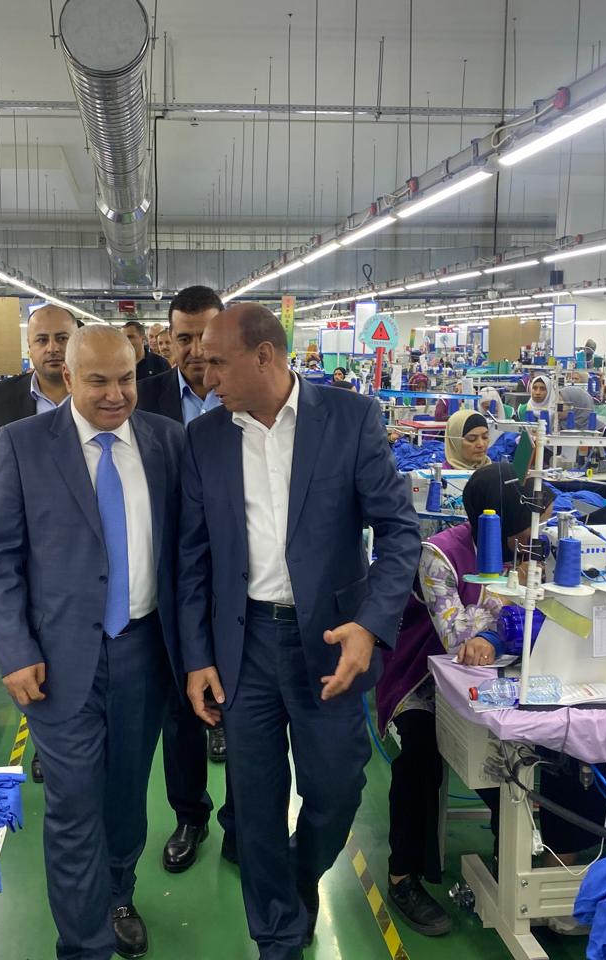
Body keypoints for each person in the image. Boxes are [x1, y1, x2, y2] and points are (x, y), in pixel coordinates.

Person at [179, 303, 421, 958]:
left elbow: (399, 532)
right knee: (255, 805)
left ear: (265, 356)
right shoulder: (205, 438)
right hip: (245, 643)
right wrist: (198, 655)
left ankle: (296, 876)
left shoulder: (350, 419)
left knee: (337, 790)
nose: (206, 377)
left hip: (332, 643)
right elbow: (192, 557)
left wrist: (371, 625)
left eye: (218, 362)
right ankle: (277, 938)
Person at [0, 324, 185, 960]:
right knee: (73, 805)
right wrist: (15, 650)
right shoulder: (22, 444)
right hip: (59, 660)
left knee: (126, 794)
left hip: (146, 652)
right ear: (67, 378)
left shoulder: (166, 441)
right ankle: (83, 945)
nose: (115, 394)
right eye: (98, 381)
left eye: (125, 379)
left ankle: (118, 893)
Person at [374, 463, 552, 936]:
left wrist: (498, 628)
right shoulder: (439, 555)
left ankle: (513, 855)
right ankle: (403, 875)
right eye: (523, 530)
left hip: (496, 675)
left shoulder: (529, 550)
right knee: (419, 756)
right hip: (419, 677)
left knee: (524, 748)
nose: (532, 538)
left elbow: (546, 608)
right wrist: (506, 606)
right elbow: (453, 635)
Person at [136, 284, 233, 874]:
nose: (195, 350)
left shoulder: (245, 392)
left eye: (206, 336)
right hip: (171, 580)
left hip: (245, 580)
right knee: (180, 708)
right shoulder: (141, 400)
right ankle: (190, 815)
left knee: (249, 707)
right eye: (184, 337)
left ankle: (243, 820)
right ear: (167, 340)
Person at [0, 305, 75, 590]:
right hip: (19, 542)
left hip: (85, 543)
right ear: (29, 346)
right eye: (42, 339)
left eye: (62, 338)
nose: (53, 348)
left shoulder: (97, 396)